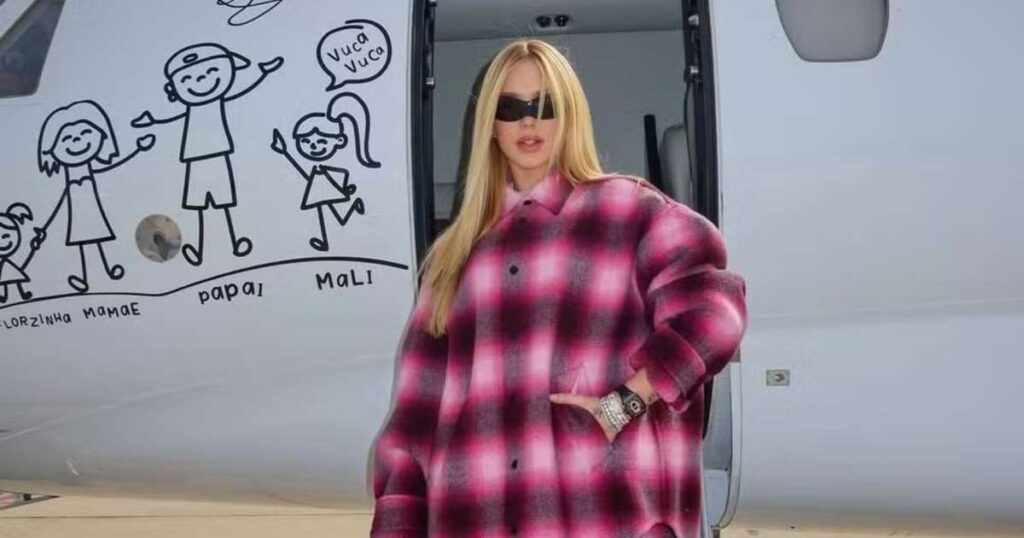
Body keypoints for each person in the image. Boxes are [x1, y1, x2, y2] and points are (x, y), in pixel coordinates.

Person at [371, 39, 747, 538]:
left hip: (605, 521)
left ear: (569, 114)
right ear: (490, 124)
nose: (529, 121)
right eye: (511, 108)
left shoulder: (631, 213)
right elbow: (412, 427)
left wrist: (625, 403)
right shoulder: (453, 258)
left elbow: (715, 313)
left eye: (544, 105)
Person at [36, 100, 155, 293]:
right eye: (66, 139)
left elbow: (113, 166)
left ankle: (108, 269)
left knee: (97, 237)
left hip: (92, 211)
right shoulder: (70, 184)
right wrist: (44, 228)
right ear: (50, 149)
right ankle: (86, 277)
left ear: (103, 135)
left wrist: (138, 149)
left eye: (86, 133)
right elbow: (59, 204)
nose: (77, 141)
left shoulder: (90, 174)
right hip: (78, 214)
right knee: (84, 243)